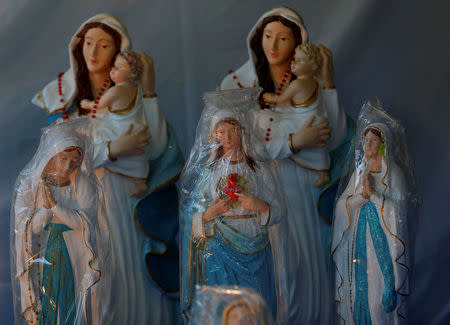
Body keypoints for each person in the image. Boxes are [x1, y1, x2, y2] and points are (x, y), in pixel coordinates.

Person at [31, 14, 183, 324]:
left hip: (123, 199)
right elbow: (61, 159)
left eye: (104, 45)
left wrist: (150, 92)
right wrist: (114, 150)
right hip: (83, 201)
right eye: (88, 43)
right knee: (96, 267)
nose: (94, 52)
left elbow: (153, 149)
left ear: (119, 54)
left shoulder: (132, 96)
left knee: (124, 264)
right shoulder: (65, 102)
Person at [219, 7, 353, 324]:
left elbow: (333, 137)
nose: (274, 45)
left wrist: (329, 83)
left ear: (297, 44)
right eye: (268, 36)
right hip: (262, 189)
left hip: (303, 188)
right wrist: (294, 142)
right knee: (276, 265)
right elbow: (236, 147)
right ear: (257, 39)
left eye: (283, 37)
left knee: (305, 260)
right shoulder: (237, 86)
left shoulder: (309, 84)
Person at [180, 91, 283, 321]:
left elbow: (277, 211)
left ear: (242, 132)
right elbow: (192, 216)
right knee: (223, 307)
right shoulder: (209, 172)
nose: (227, 136)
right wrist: (209, 213)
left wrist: (261, 206)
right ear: (213, 135)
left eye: (233, 130)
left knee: (254, 305)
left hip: (255, 244)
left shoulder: (258, 170)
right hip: (219, 249)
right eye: (221, 131)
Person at [11, 122, 108, 325]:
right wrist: (46, 211)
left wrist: (55, 207)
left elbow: (86, 224)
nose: (67, 167)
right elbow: (28, 229)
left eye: (74, 162)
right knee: (45, 304)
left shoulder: (84, 184)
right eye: (63, 158)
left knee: (70, 303)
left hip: (74, 258)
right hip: (42, 256)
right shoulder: (30, 185)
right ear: (51, 154)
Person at [331, 117, 410, 324]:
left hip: (381, 245)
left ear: (383, 144)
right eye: (365, 141)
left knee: (379, 294)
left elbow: (399, 213)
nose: (367, 145)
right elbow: (342, 205)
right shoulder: (360, 172)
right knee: (359, 290)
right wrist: (362, 196)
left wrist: (374, 195)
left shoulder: (394, 175)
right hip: (358, 242)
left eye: (373, 141)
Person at [81, 50, 150, 196]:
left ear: (132, 74)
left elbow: (98, 105)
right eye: (114, 66)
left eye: (119, 68)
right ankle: (140, 181)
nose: (113, 70)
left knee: (99, 137)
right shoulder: (136, 87)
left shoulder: (116, 91)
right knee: (137, 157)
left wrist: (87, 104)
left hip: (120, 129)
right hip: (135, 127)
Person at [261, 43, 330, 188]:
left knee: (285, 128)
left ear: (312, 65)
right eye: (294, 59)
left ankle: (290, 149)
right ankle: (323, 171)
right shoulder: (316, 82)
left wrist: (269, 97)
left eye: (299, 61)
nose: (293, 63)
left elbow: (281, 99)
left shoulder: (297, 84)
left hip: (304, 120)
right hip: (317, 118)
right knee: (319, 146)